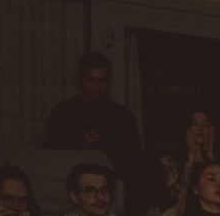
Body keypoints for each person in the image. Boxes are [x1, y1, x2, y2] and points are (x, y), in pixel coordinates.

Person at [42, 52, 145, 200]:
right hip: (68, 193)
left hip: (112, 193)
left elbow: (135, 162)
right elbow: (51, 155)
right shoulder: (63, 112)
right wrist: (79, 142)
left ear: (109, 80)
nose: (96, 86)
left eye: (102, 81)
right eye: (91, 80)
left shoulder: (122, 116)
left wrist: (107, 143)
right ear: (80, 78)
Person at [153, 110, 217, 216]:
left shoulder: (218, 162)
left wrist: (210, 158)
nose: (200, 128)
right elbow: (178, 203)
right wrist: (190, 161)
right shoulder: (172, 162)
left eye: (205, 125)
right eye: (195, 124)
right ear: (187, 129)